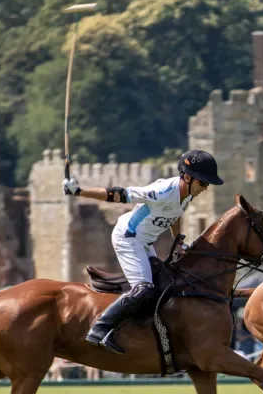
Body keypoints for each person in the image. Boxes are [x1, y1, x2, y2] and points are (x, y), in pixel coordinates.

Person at [62, 149, 223, 353]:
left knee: (164, 284)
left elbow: (175, 214)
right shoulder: (163, 191)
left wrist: (179, 241)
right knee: (143, 288)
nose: (206, 188)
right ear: (188, 177)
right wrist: (78, 192)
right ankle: (99, 329)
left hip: (145, 242)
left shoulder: (187, 195)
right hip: (127, 237)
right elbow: (118, 194)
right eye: (203, 182)